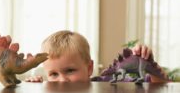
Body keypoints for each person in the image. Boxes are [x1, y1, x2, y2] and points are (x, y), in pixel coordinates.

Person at [25, 30, 167, 83]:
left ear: (89, 68)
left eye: (70, 71)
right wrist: (34, 86)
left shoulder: (108, 82)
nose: (62, 80)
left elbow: (160, 84)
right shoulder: (49, 91)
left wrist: (148, 63)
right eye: (53, 74)